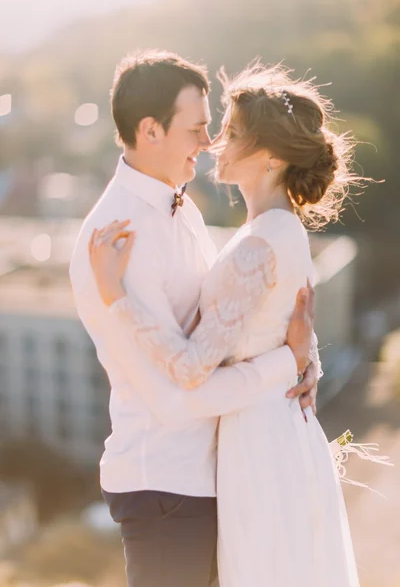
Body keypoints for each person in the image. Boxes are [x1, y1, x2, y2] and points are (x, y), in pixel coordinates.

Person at [88, 60, 362, 586]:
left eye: (233, 133)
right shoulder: (277, 230)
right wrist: (302, 359)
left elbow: (192, 368)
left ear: (272, 157)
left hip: (258, 444)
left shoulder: (259, 243)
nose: (215, 142)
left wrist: (115, 295)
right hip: (269, 432)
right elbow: (283, 320)